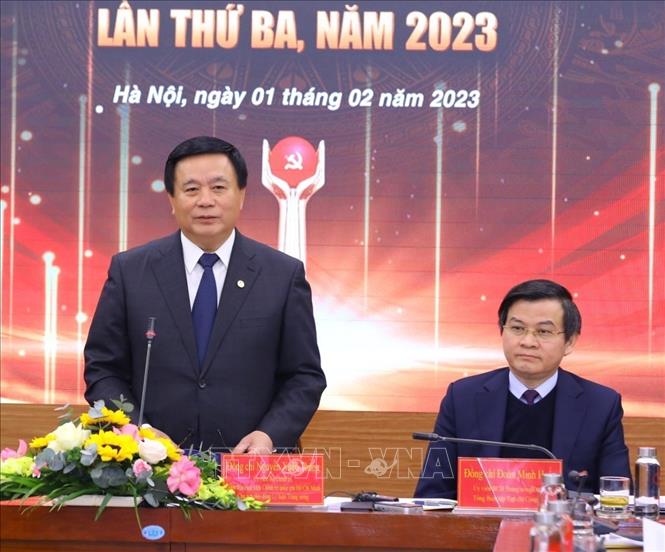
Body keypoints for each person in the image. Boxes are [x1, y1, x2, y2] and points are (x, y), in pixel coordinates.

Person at [84, 136, 326, 453]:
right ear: (171, 199)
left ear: (242, 195)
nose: (205, 200)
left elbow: (304, 376)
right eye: (191, 189)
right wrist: (138, 432)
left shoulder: (282, 275)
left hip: (251, 466)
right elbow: (103, 370)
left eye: (219, 187)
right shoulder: (130, 272)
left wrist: (270, 435)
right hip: (151, 467)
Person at [415, 279, 631, 498]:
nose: (528, 342)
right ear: (502, 331)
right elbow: (432, 495)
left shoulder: (601, 405)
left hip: (565, 520)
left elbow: (617, 496)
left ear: (570, 342)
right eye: (517, 328)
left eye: (544, 331)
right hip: (479, 520)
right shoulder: (462, 398)